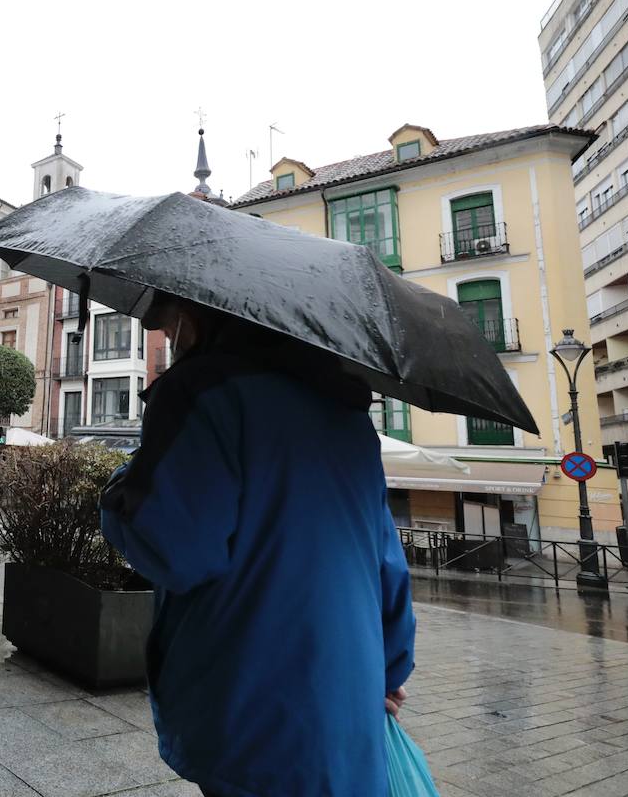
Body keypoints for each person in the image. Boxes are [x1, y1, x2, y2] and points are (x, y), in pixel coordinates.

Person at [99, 292, 416, 797]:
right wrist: (389, 669)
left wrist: (121, 490)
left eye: (166, 321)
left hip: (249, 687)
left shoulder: (201, 391)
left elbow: (177, 551)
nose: (167, 335)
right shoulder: (349, 413)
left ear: (192, 317)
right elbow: (387, 562)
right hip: (349, 690)